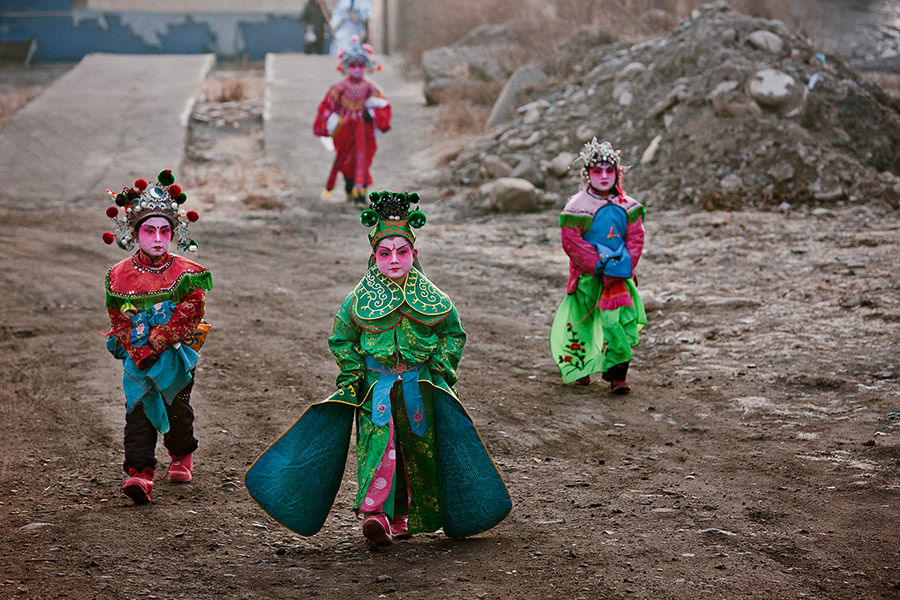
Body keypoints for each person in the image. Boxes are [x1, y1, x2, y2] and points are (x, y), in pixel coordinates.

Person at [245, 191, 511, 546]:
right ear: (374, 258)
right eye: (385, 254)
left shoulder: (436, 299)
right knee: (379, 448)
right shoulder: (357, 301)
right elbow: (342, 338)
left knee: (416, 452)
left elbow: (453, 334)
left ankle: (403, 517)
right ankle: (375, 515)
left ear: (414, 254)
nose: (394, 260)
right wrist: (353, 375)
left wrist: (441, 370)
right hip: (376, 388)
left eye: (402, 252)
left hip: (420, 386)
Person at [101, 171, 213, 504]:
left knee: (177, 408)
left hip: (176, 355)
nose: (158, 238)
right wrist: (138, 349)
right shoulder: (118, 275)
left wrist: (158, 341)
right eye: (149, 231)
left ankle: (181, 455)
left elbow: (193, 310)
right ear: (135, 233)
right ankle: (140, 473)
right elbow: (118, 318)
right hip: (137, 356)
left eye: (165, 231)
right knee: (137, 410)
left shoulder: (186, 271)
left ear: (173, 233)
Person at [550, 139, 646, 393]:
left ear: (617, 173)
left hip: (618, 278)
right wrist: (597, 264)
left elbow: (636, 238)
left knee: (616, 322)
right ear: (587, 174)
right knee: (581, 322)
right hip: (586, 276)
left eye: (609, 170)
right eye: (597, 171)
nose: (604, 176)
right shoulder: (576, 207)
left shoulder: (628, 206)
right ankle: (581, 368)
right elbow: (571, 242)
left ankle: (617, 376)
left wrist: (623, 265)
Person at [314, 35, 391, 206]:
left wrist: (372, 114)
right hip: (344, 130)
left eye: (360, 65)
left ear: (366, 67)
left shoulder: (372, 89)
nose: (356, 69)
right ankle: (349, 186)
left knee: (363, 160)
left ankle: (360, 194)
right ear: (346, 67)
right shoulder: (338, 88)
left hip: (365, 130)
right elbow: (327, 107)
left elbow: (383, 108)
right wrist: (331, 122)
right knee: (347, 160)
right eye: (353, 65)